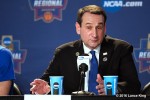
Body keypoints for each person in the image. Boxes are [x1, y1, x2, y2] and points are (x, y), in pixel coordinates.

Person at [30, 5, 141, 95]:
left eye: (99, 27)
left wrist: (113, 88)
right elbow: (46, 83)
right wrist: (44, 90)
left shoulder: (120, 49)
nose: (95, 34)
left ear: (105, 28)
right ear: (78, 28)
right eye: (89, 27)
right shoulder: (64, 53)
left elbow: (134, 86)